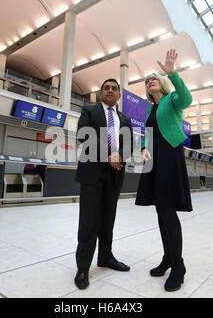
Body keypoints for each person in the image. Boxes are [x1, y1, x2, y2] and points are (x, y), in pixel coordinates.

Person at [135, 48, 193, 292]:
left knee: (168, 211)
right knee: (160, 210)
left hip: (170, 156)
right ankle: (168, 257)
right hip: (153, 161)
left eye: (153, 79)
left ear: (161, 84)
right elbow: (146, 135)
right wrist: (143, 149)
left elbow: (187, 99)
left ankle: (178, 265)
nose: (149, 82)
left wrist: (173, 74)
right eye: (147, 81)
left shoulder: (172, 100)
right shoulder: (149, 110)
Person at [74, 78, 133, 290]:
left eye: (114, 89)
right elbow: (83, 134)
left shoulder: (125, 119)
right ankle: (82, 267)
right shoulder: (89, 111)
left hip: (115, 174)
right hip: (92, 172)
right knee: (89, 220)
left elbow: (129, 145)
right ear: (100, 93)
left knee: (108, 219)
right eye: (106, 88)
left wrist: (120, 156)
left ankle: (106, 257)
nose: (110, 90)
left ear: (118, 95)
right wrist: (111, 154)